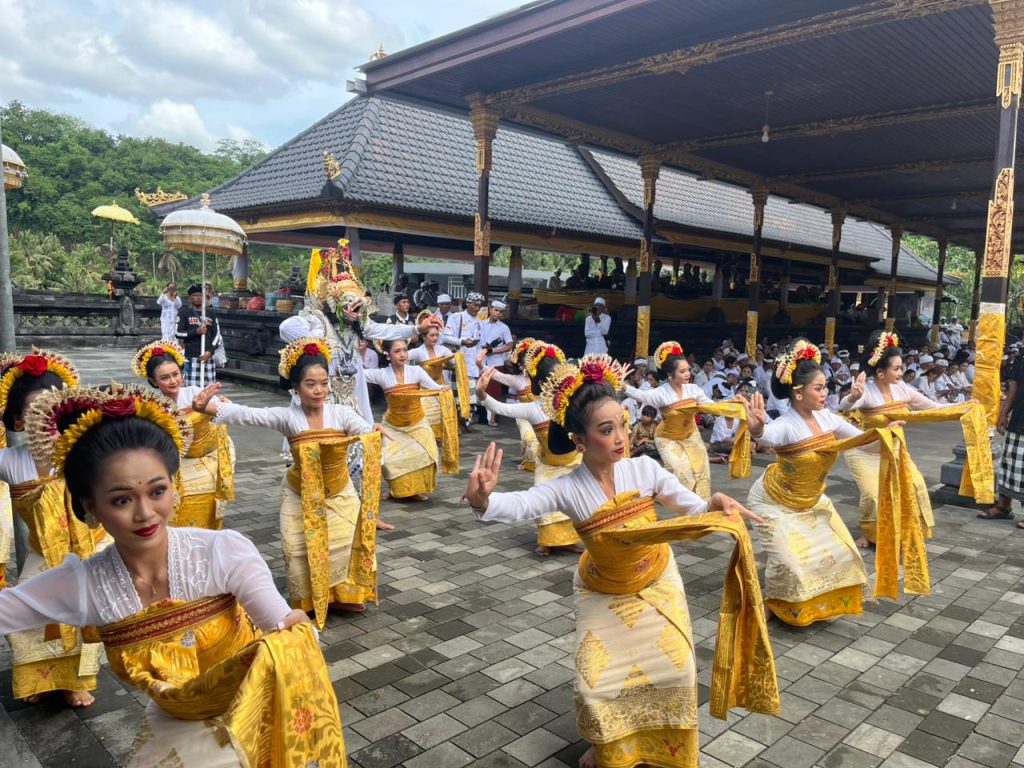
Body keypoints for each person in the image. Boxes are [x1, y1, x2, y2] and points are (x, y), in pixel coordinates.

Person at [4, 383, 345, 767]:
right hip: (174, 731)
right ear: (90, 506)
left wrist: (294, 632)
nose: (145, 513)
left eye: (157, 491)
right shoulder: (86, 585)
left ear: (173, 486)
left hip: (259, 721)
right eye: (121, 500)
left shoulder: (221, 552)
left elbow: (279, 626)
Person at [464, 356, 777, 768]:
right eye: (606, 430)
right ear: (579, 440)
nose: (620, 438)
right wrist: (483, 498)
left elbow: (693, 506)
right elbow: (519, 503)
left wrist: (713, 503)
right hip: (602, 589)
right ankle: (609, 744)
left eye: (623, 426)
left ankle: (660, 749)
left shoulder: (646, 469)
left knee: (677, 671)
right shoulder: (567, 489)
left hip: (657, 579)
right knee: (597, 684)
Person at [197, 337, 384, 621]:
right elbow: (249, 414)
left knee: (345, 543)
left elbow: (363, 429)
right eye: (311, 384)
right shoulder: (287, 416)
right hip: (300, 494)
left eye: (323, 383)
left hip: (339, 492)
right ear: (296, 387)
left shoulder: (341, 413)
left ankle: (343, 595)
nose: (319, 390)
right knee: (298, 550)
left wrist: (374, 430)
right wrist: (205, 407)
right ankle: (310, 599)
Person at [745, 340, 900, 626]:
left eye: (825, 386)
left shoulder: (828, 418)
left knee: (844, 555)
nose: (824, 393)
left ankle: (806, 601)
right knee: (789, 563)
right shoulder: (786, 425)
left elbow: (861, 443)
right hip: (772, 502)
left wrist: (886, 435)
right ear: (798, 393)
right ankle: (772, 601)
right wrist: (756, 428)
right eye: (818, 388)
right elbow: (767, 437)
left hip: (812, 500)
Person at [0, 351, 103, 709]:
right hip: (40, 555)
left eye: (50, 407)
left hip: (88, 550)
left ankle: (77, 681)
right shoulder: (10, 462)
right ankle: (39, 678)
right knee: (25, 616)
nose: (42, 417)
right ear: (16, 420)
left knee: (86, 618)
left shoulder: (81, 452)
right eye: (32, 411)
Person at [474, 343, 585, 556]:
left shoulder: (571, 403)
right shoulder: (534, 408)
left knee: (576, 502)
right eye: (553, 380)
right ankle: (548, 540)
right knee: (543, 502)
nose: (559, 384)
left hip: (574, 461)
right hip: (548, 463)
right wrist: (481, 394)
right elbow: (500, 408)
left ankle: (569, 540)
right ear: (542, 383)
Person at [624, 341, 751, 497]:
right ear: (670, 375)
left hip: (691, 436)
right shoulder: (661, 393)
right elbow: (642, 395)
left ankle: (701, 510)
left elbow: (712, 407)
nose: (687, 374)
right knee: (684, 477)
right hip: (667, 439)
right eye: (683, 371)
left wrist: (734, 404)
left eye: (688, 370)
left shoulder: (693, 390)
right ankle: (657, 490)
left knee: (702, 475)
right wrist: (622, 386)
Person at [132, 340, 235, 530]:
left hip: (206, 460)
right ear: (153, 381)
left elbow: (222, 410)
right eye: (164, 378)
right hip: (174, 463)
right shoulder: (151, 407)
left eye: (175, 374)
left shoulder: (196, 394)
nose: (172, 381)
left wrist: (224, 405)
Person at [365, 338, 457, 501]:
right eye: (397, 351)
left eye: (404, 350)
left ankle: (415, 490)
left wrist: (443, 389)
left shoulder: (416, 372)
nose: (402, 354)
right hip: (393, 424)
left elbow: (434, 387)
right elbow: (357, 375)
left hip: (417, 421)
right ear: (388, 354)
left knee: (428, 454)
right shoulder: (381, 374)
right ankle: (395, 490)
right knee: (388, 459)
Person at [408, 314, 471, 441]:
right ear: (424, 336)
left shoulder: (442, 350)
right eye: (431, 335)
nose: (435, 338)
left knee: (445, 409)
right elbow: (402, 359)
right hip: (424, 388)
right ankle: (426, 436)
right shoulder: (418, 352)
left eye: (437, 335)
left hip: (440, 384)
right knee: (425, 411)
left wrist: (458, 357)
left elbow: (454, 363)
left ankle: (441, 435)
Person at [444, 291, 484, 429]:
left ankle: (467, 420)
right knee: (457, 394)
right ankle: (456, 421)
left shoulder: (480, 322)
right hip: (459, 361)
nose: (477, 308)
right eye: (474, 304)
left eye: (479, 305)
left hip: (473, 364)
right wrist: (461, 341)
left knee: (472, 395)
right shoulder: (456, 317)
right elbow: (445, 337)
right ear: (467, 303)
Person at [176, 283, 223, 387]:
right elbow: (178, 333)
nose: (198, 298)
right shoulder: (184, 313)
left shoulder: (211, 314)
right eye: (195, 295)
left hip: (208, 357)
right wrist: (195, 332)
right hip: (191, 356)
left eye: (201, 295)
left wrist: (210, 351)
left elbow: (217, 336)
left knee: (209, 389)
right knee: (192, 389)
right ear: (189, 297)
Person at [477, 300, 515, 426]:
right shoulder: (480, 324)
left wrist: (494, 350)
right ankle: (481, 415)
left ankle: (493, 417)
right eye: (495, 310)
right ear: (490, 309)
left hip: (496, 361)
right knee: (480, 387)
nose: (497, 313)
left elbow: (509, 345)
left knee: (495, 390)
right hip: (480, 360)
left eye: (500, 312)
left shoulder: (504, 327)